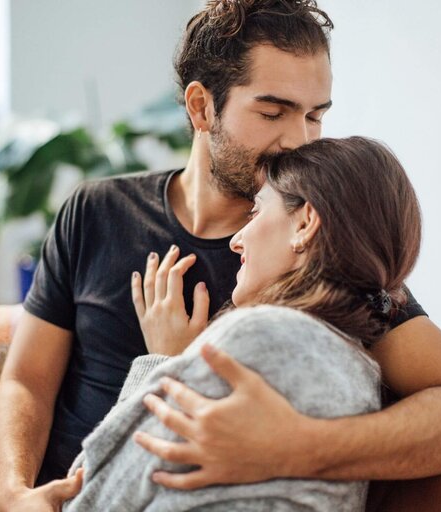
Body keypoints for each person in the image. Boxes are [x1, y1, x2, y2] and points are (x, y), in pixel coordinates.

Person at [0, 1, 441, 511]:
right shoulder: (95, 211)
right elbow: (25, 379)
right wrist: (15, 493)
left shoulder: (317, 251)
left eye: (315, 115)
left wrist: (299, 445)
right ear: (202, 107)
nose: (301, 140)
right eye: (273, 111)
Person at [62, 136, 421, 511]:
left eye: (256, 212)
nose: (236, 240)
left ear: (305, 223)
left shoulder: (257, 336)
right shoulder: (361, 371)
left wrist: (162, 362)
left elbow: (90, 495)